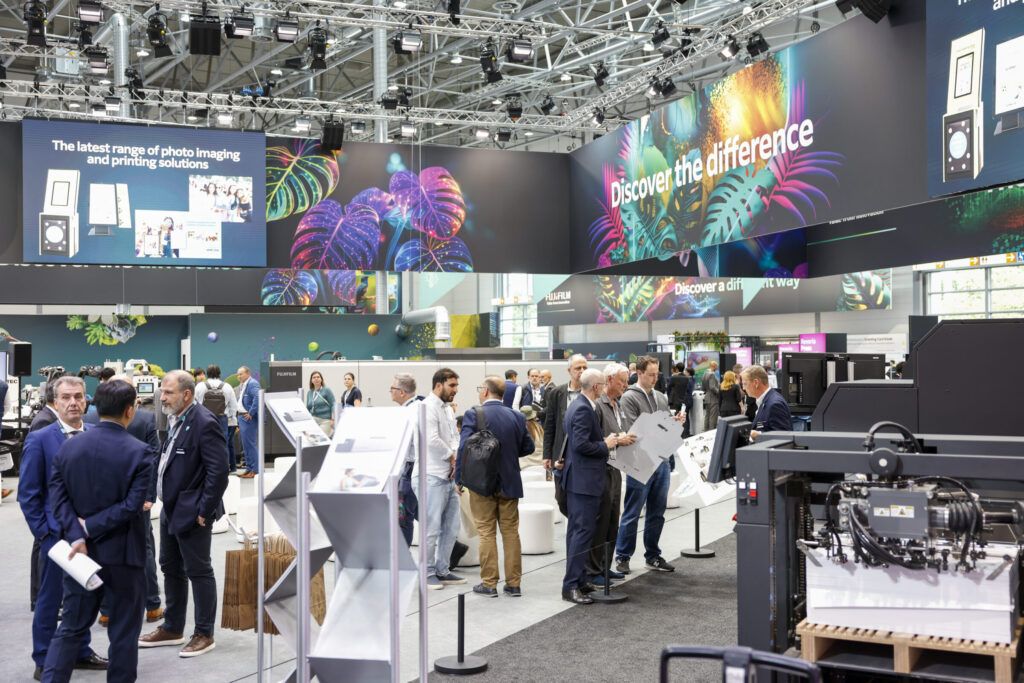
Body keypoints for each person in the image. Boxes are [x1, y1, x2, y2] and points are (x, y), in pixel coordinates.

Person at [42, 380, 152, 683]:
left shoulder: (68, 447)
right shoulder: (140, 452)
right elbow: (132, 506)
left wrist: (77, 534)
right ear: (130, 410)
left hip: (79, 555)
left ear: (94, 406)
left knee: (71, 628)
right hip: (125, 556)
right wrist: (90, 527)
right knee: (124, 632)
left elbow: (58, 498)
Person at [18, 376, 107, 680]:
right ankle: (44, 657)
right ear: (55, 402)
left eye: (78, 396)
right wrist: (45, 535)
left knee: (83, 597)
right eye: (66, 397)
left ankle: (80, 651)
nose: (73, 403)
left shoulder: (95, 434)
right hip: (56, 538)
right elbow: (29, 494)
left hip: (92, 534)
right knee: (50, 599)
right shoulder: (40, 440)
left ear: (86, 400)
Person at [139, 370, 228, 658]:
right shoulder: (177, 419)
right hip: (172, 507)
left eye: (168, 393)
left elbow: (219, 471)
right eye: (162, 392)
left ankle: (204, 633)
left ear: (186, 394)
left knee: (198, 570)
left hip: (193, 511)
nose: (162, 398)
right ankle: (173, 627)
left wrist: (205, 510)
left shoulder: (204, 422)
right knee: (170, 566)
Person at [85, 373, 164, 627]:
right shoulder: (146, 418)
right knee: (144, 548)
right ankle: (152, 605)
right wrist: (148, 495)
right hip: (136, 498)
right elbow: (153, 457)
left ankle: (107, 609)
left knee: (102, 549)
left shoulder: (90, 419)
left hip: (101, 499)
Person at [457, 377, 534, 597]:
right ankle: (514, 584)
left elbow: (464, 448)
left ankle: (489, 583)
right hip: (510, 482)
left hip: (481, 482)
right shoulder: (517, 416)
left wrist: (459, 478)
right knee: (511, 532)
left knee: (486, 532)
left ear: (485, 391)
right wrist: (509, 452)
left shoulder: (474, 414)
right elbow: (528, 447)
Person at [561, 369, 627, 605]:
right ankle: (571, 586)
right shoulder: (582, 408)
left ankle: (580, 581)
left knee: (580, 533)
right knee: (581, 534)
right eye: (601, 384)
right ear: (597, 387)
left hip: (581, 480)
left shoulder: (579, 405)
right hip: (583, 482)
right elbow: (580, 445)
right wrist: (605, 444)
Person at [615, 355, 683, 575]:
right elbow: (633, 431)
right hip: (640, 462)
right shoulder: (629, 398)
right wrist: (661, 429)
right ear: (640, 373)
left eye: (657, 374)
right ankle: (623, 556)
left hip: (661, 461)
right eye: (651, 374)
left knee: (657, 512)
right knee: (633, 511)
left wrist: (674, 423)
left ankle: (652, 555)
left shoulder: (661, 397)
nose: (655, 378)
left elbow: (662, 426)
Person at [417, 368, 465, 590]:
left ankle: (442, 570)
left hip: (449, 476)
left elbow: (454, 436)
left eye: (456, 385)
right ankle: (426, 573)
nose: (455, 390)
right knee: (431, 529)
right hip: (432, 475)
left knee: (451, 526)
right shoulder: (427, 407)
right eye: (452, 385)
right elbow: (431, 439)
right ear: (439, 385)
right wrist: (452, 456)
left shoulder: (447, 408)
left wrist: (456, 459)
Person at [589, 363, 636, 585]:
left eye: (626, 381)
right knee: (600, 522)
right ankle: (594, 571)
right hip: (601, 470)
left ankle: (605, 567)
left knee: (612, 521)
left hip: (616, 469)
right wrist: (618, 440)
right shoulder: (598, 405)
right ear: (609, 380)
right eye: (622, 381)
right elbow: (593, 440)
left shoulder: (619, 404)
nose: (626, 385)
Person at [28, 376, 64, 611]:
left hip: (50, 505)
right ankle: (40, 598)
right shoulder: (44, 422)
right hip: (46, 505)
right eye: (66, 396)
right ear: (55, 398)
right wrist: (41, 526)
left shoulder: (49, 418)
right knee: (43, 552)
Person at [543, 354, 588, 503]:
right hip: (561, 452)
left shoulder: (592, 393)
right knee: (561, 498)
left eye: (585, 367)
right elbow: (550, 425)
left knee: (581, 496)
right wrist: (547, 454)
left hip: (583, 452)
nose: (582, 371)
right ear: (569, 370)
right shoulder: (557, 393)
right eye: (578, 368)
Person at [390, 373, 421, 546]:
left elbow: (404, 445)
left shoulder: (410, 412)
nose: (390, 392)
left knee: (403, 516)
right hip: (412, 469)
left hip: (409, 469)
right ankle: (455, 548)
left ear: (402, 392)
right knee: (415, 511)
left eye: (392, 389)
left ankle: (402, 557)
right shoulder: (417, 407)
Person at [195, 365, 238, 473]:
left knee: (204, 442)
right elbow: (233, 406)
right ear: (219, 374)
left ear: (207, 374)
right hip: (222, 418)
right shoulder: (227, 386)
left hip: (204, 418)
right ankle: (224, 468)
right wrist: (231, 417)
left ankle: (206, 468)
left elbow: (194, 403)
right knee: (223, 443)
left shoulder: (200, 386)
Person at [740, 365, 793, 441]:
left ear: (756, 383)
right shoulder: (766, 400)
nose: (743, 388)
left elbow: (783, 436)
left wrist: (758, 435)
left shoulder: (774, 404)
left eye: (745, 384)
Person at [236, 365, 260, 478]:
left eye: (241, 374)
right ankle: (249, 468)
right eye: (238, 374)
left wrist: (251, 412)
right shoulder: (244, 385)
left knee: (250, 444)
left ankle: (255, 470)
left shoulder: (252, 383)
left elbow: (258, 397)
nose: (239, 376)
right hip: (242, 417)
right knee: (246, 445)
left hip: (248, 418)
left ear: (248, 373)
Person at [305, 371, 336, 436]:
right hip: (313, 420)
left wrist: (333, 419)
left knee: (321, 438)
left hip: (325, 420)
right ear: (311, 381)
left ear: (321, 379)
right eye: (314, 377)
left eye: (318, 377)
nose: (316, 379)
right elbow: (308, 408)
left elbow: (333, 405)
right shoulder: (309, 392)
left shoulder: (326, 390)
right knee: (310, 438)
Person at [701, 361, 721, 430]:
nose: (717, 368)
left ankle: (706, 430)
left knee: (707, 415)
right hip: (713, 397)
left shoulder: (704, 374)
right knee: (713, 417)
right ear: (714, 366)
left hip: (707, 396)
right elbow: (712, 387)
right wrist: (719, 393)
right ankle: (711, 432)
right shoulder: (712, 374)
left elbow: (703, 388)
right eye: (717, 367)